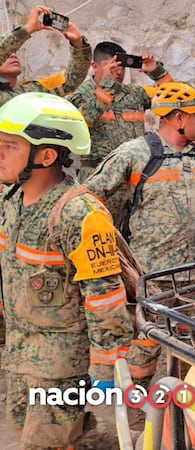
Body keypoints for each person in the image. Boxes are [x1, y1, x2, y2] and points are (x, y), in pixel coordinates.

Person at [84, 82, 195, 384]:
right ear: (178, 118)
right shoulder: (134, 154)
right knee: (146, 345)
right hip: (153, 275)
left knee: (193, 344)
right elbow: (88, 196)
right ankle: (136, 412)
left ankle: (184, 406)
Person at [0, 92, 133, 448]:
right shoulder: (10, 201)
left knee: (44, 444)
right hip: (19, 355)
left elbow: (105, 297)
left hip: (61, 369)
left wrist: (108, 369)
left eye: (9, 146)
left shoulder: (80, 214)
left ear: (45, 156)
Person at [68, 41, 173, 183]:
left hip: (134, 176)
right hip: (98, 177)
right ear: (94, 67)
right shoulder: (81, 96)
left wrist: (156, 71)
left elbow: (171, 97)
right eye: (112, 66)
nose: (118, 72)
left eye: (122, 67)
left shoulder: (135, 94)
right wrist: (107, 87)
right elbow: (84, 121)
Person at [0, 5, 91, 107]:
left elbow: (71, 80)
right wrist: (27, 30)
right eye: (6, 55)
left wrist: (78, 44)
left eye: (14, 52)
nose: (13, 55)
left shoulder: (34, 91)